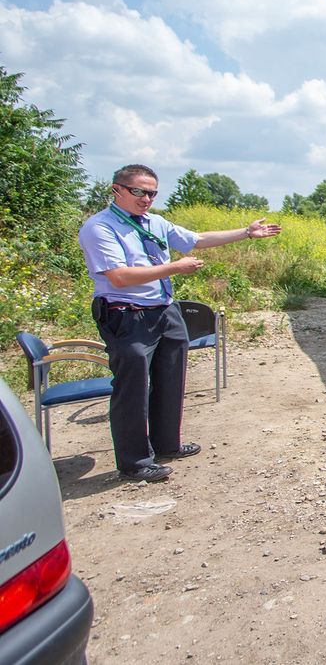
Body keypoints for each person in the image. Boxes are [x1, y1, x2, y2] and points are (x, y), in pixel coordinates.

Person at [78, 164, 282, 482]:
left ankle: (166, 444)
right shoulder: (100, 227)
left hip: (165, 310)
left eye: (152, 193)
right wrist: (174, 268)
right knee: (132, 388)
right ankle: (135, 462)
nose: (146, 199)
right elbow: (118, 277)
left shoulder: (155, 222)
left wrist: (245, 233)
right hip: (128, 314)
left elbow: (196, 240)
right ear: (117, 190)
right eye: (139, 192)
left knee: (171, 378)